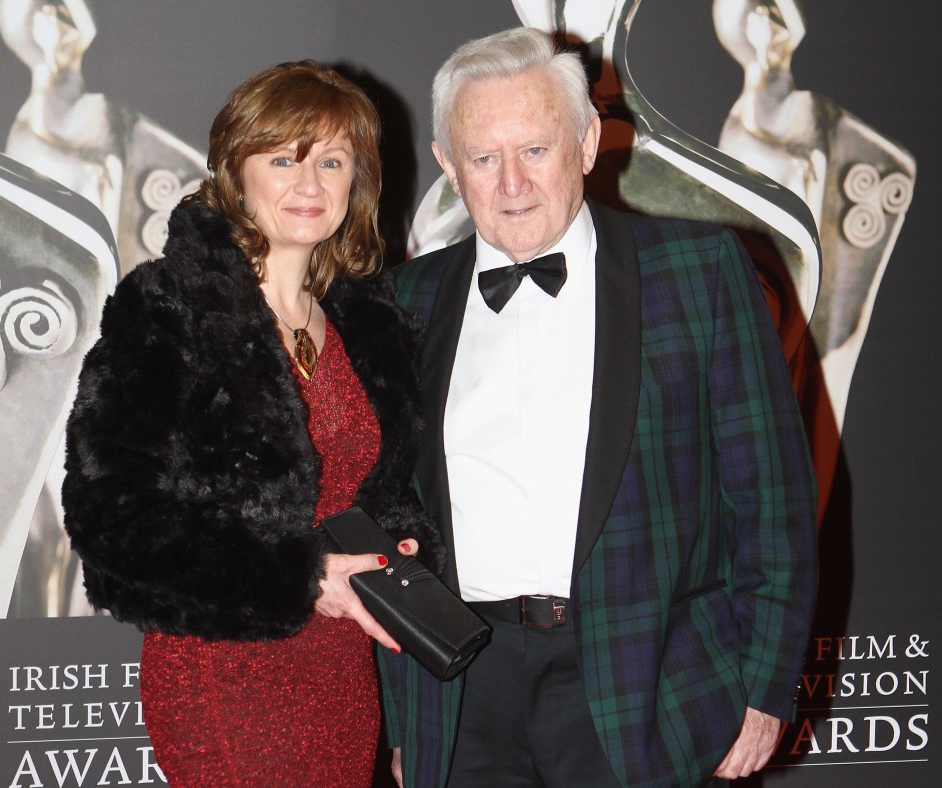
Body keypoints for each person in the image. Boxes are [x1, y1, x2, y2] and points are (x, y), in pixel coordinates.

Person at [380, 27, 818, 788]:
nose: (512, 183)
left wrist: (763, 687)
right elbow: (388, 521)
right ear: (451, 167)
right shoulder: (402, 304)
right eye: (484, 158)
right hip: (457, 695)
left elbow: (771, 501)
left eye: (536, 150)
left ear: (587, 142)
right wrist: (400, 714)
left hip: (641, 683)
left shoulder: (698, 274)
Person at [62, 60, 443, 787]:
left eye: (332, 161)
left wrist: (403, 551)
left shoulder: (368, 323)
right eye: (283, 159)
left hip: (342, 665)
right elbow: (111, 518)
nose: (310, 184)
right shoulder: (170, 309)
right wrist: (300, 580)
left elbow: (379, 494)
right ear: (235, 174)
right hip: (223, 669)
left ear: (357, 182)